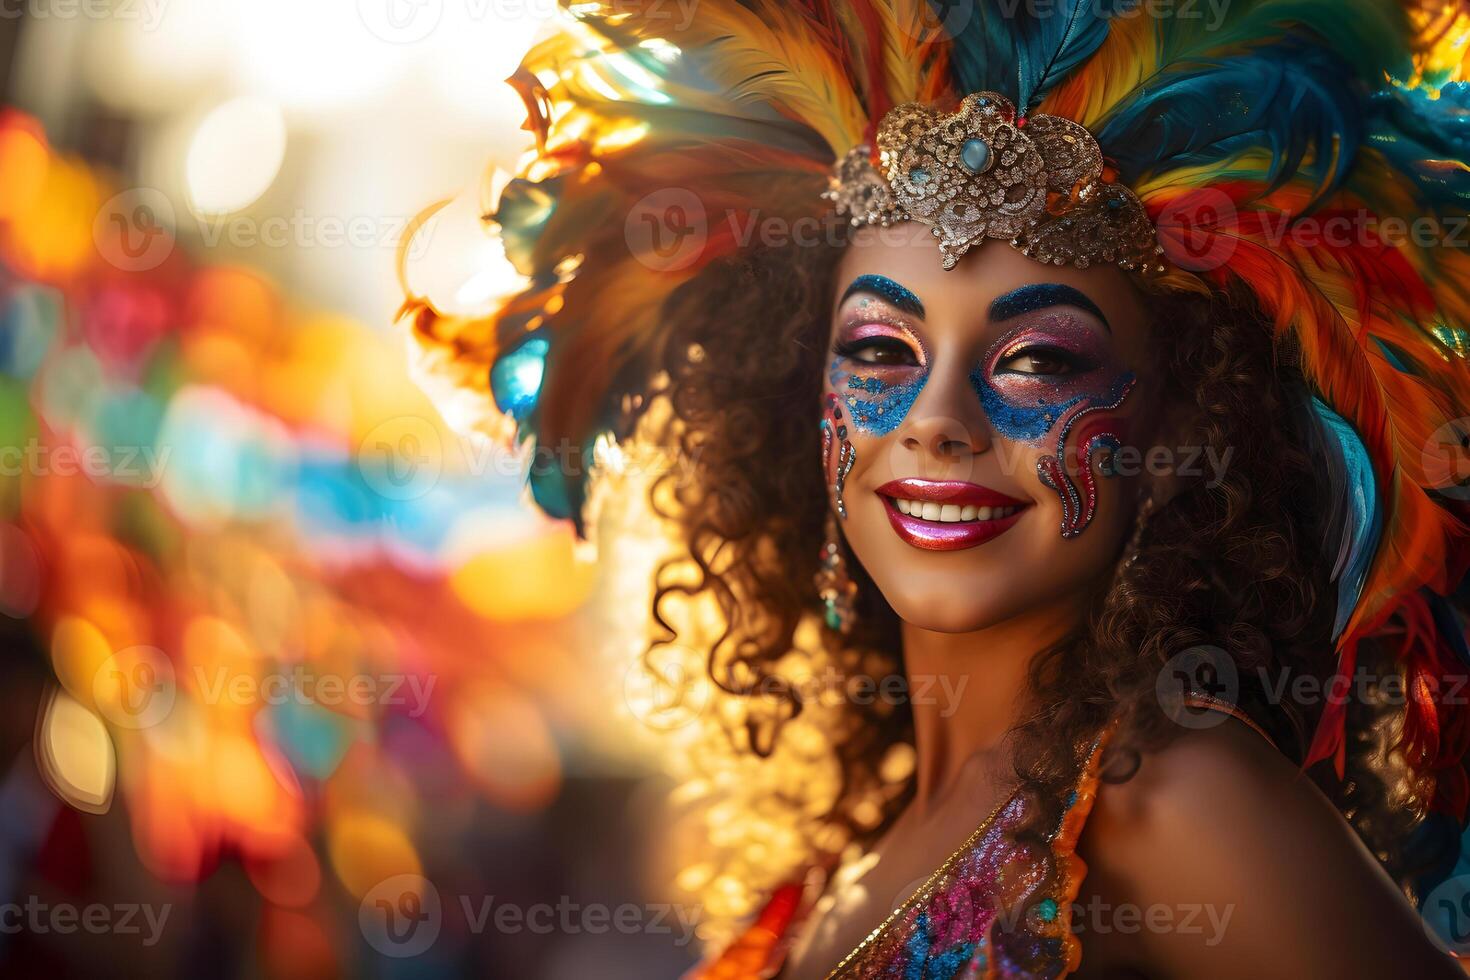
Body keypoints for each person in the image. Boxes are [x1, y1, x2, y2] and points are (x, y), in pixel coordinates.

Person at [399, 1, 1470, 976]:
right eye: (878, 349)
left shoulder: (1178, 794)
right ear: (793, 396)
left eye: (1038, 359)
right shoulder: (838, 863)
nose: (938, 419)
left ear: (1184, 424)